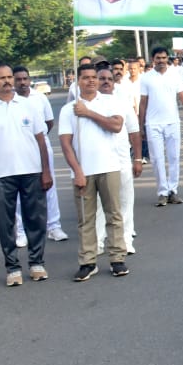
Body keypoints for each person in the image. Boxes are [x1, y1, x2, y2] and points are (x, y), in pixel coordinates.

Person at [0, 64, 53, 287]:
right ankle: (12, 268)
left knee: (35, 219)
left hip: (31, 170)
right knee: (5, 222)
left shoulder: (28, 106)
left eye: (10, 77)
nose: (8, 81)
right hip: (1, 175)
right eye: (2, 78)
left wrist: (46, 171)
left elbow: (41, 140)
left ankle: (36, 262)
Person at [58, 63, 129, 281]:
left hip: (109, 167)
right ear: (77, 81)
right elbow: (65, 144)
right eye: (86, 77)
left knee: (114, 215)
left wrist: (89, 113)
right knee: (86, 219)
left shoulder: (109, 102)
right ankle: (88, 262)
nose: (91, 81)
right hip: (83, 172)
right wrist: (77, 171)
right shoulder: (68, 109)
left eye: (94, 77)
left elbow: (116, 125)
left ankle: (117, 258)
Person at [13, 65, 67, 244]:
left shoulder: (40, 98)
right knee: (19, 191)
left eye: (24, 79)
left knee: (49, 186)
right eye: (18, 79)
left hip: (42, 146)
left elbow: (49, 123)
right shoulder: (10, 101)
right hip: (19, 149)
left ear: (29, 80)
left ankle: (54, 226)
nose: (22, 83)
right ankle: (20, 231)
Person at [139, 46, 183, 207]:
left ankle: (173, 191)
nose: (161, 61)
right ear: (153, 60)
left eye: (164, 58)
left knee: (174, 158)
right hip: (153, 124)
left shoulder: (175, 75)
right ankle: (162, 192)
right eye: (158, 58)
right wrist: (141, 126)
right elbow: (142, 103)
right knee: (157, 159)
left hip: (172, 122)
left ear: (167, 59)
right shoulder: (145, 78)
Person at [95, 65, 142, 253]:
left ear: (114, 83)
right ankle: (98, 242)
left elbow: (134, 132)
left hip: (121, 160)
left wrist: (137, 159)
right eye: (101, 78)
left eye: (109, 79)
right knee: (98, 205)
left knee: (125, 201)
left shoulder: (122, 104)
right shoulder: (87, 105)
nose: (106, 81)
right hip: (97, 163)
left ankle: (126, 240)